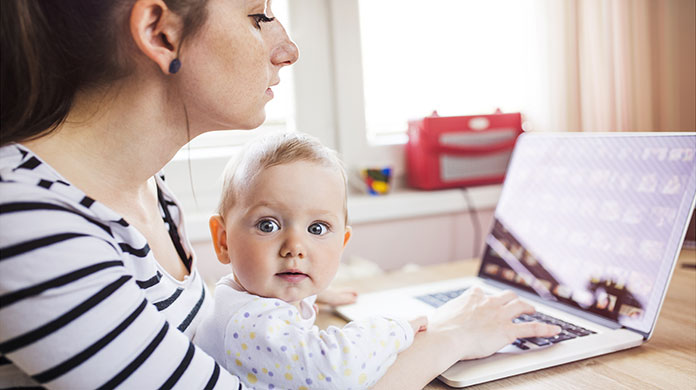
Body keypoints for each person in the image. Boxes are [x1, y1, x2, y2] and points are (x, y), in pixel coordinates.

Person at [0, 1, 560, 389]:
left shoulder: (148, 192)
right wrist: (447, 337)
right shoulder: (28, 222)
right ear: (160, 32)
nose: (287, 49)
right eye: (259, 16)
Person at [194, 132, 429, 389]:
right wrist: (395, 329)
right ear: (224, 241)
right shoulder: (250, 323)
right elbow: (338, 372)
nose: (294, 248)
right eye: (268, 225)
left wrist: (313, 293)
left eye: (317, 228)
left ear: (342, 243)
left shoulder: (247, 294)